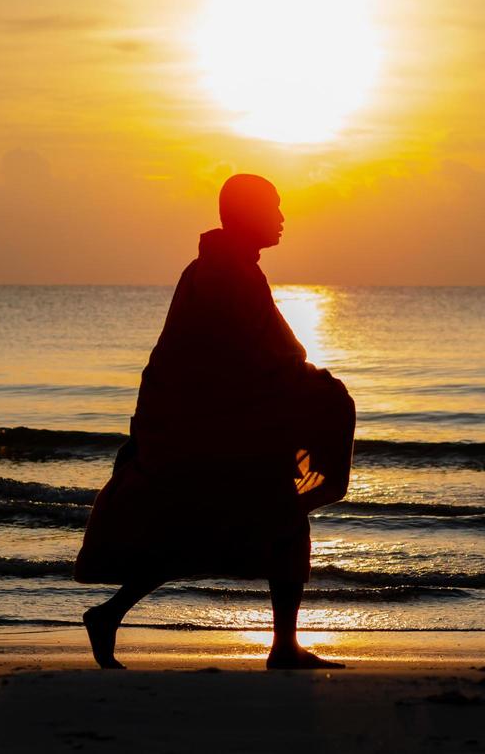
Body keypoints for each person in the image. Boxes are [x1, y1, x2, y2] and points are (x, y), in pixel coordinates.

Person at [73, 173, 356, 670]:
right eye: (274, 208)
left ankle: (112, 615)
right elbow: (256, 356)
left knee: (203, 534)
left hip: (212, 428)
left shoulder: (217, 268)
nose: (283, 218)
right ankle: (281, 647)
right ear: (248, 216)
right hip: (214, 435)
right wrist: (316, 385)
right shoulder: (230, 274)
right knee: (272, 522)